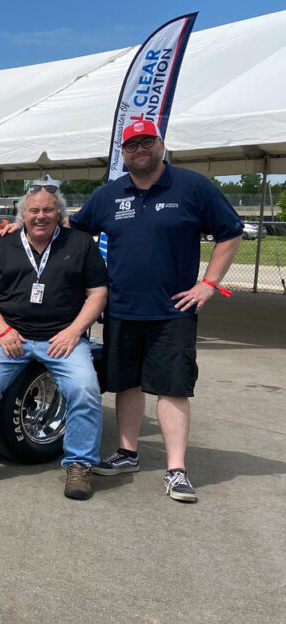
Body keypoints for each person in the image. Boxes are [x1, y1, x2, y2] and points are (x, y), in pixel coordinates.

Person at [70, 120, 242, 502]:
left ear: (160, 145)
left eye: (146, 142)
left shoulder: (192, 187)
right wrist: (17, 226)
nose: (139, 150)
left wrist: (208, 284)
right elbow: (74, 227)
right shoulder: (109, 195)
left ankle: (176, 470)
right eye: (131, 145)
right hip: (122, 309)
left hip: (173, 312)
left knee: (172, 388)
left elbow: (231, 231)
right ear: (123, 153)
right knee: (126, 383)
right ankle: (127, 453)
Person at [0, 183, 108, 499]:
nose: (41, 216)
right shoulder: (2, 246)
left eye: (48, 210)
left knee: (85, 389)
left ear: (59, 214)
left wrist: (74, 331)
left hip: (62, 340)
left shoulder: (81, 243)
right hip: (8, 337)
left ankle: (80, 465)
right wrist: (2, 331)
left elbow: (98, 293)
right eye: (34, 210)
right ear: (23, 215)